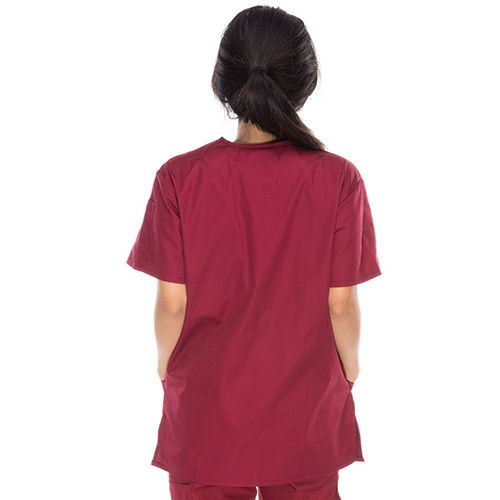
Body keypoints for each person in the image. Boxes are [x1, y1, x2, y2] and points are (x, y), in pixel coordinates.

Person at [126, 5, 382, 500]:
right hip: (306, 415)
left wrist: (165, 366)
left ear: (225, 82)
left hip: (207, 413)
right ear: (303, 83)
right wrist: (350, 369)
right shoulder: (339, 179)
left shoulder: (179, 177)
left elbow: (172, 304)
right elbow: (341, 305)